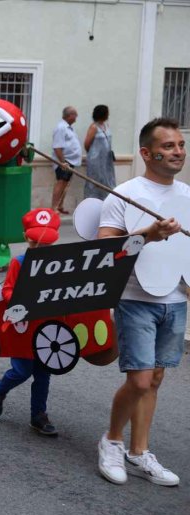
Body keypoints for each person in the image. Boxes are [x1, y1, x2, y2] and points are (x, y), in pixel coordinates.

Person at [96, 117, 187, 487]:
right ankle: (112, 441)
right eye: (168, 146)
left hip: (176, 299)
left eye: (180, 145)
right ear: (147, 153)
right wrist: (147, 235)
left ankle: (139, 451)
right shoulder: (123, 195)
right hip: (135, 298)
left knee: (157, 378)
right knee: (139, 379)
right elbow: (104, 251)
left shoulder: (187, 196)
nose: (177, 151)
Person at [0, 208, 62, 436]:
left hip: (47, 326)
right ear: (26, 237)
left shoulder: (59, 262)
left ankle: (38, 415)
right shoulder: (19, 262)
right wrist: (21, 301)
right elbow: (7, 290)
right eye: (37, 240)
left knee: (43, 372)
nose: (42, 245)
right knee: (22, 370)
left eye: (46, 241)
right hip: (23, 326)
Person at [50, 106, 82, 214]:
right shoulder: (61, 128)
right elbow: (57, 147)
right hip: (64, 161)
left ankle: (60, 205)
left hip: (70, 161)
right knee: (61, 182)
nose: (76, 118)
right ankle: (54, 207)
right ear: (69, 115)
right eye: (75, 115)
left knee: (66, 184)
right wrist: (62, 162)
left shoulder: (68, 127)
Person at [83, 104, 116, 200]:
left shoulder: (106, 125)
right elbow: (87, 143)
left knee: (108, 180)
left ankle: (106, 200)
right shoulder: (93, 127)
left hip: (107, 160)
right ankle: (92, 200)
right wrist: (94, 154)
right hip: (96, 160)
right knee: (95, 181)